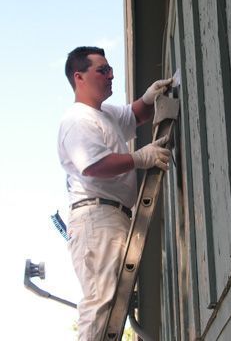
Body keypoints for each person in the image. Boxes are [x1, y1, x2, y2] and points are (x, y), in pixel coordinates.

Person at [57, 46, 171, 340]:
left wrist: (148, 98)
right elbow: (94, 165)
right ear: (79, 77)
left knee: (109, 300)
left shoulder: (104, 114)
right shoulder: (78, 120)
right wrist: (139, 158)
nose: (111, 75)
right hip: (96, 218)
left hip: (112, 216)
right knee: (101, 301)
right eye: (102, 70)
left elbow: (135, 115)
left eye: (110, 69)